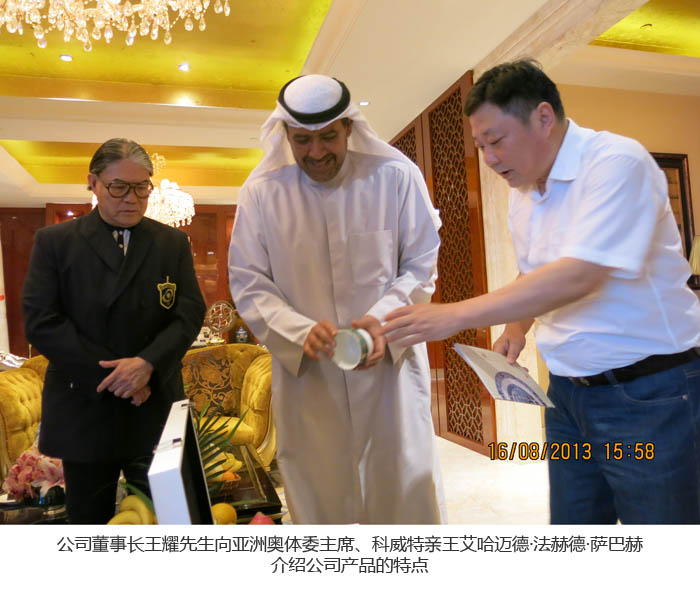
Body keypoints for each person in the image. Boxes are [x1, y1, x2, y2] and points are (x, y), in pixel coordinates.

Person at [382, 60, 700, 524]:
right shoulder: (525, 190)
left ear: (543, 117)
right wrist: (516, 327)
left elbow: (580, 274)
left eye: (496, 141)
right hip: (567, 394)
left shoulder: (616, 163)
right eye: (481, 145)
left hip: (649, 394)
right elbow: (536, 271)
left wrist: (453, 315)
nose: (489, 158)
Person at [228, 74, 446, 524]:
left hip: (389, 372)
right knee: (323, 494)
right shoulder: (262, 191)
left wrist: (381, 321)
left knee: (402, 492)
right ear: (285, 134)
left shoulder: (395, 176)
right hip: (310, 376)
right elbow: (248, 280)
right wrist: (297, 331)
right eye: (302, 139)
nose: (316, 152)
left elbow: (421, 264)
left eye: (328, 136)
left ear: (348, 127)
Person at [22, 138, 206, 524]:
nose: (132, 199)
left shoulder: (171, 242)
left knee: (169, 522)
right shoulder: (56, 242)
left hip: (154, 404)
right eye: (119, 187)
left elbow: (189, 313)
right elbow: (42, 321)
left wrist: (147, 364)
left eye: (141, 187)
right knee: (90, 527)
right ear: (93, 182)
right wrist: (120, 378)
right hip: (85, 406)